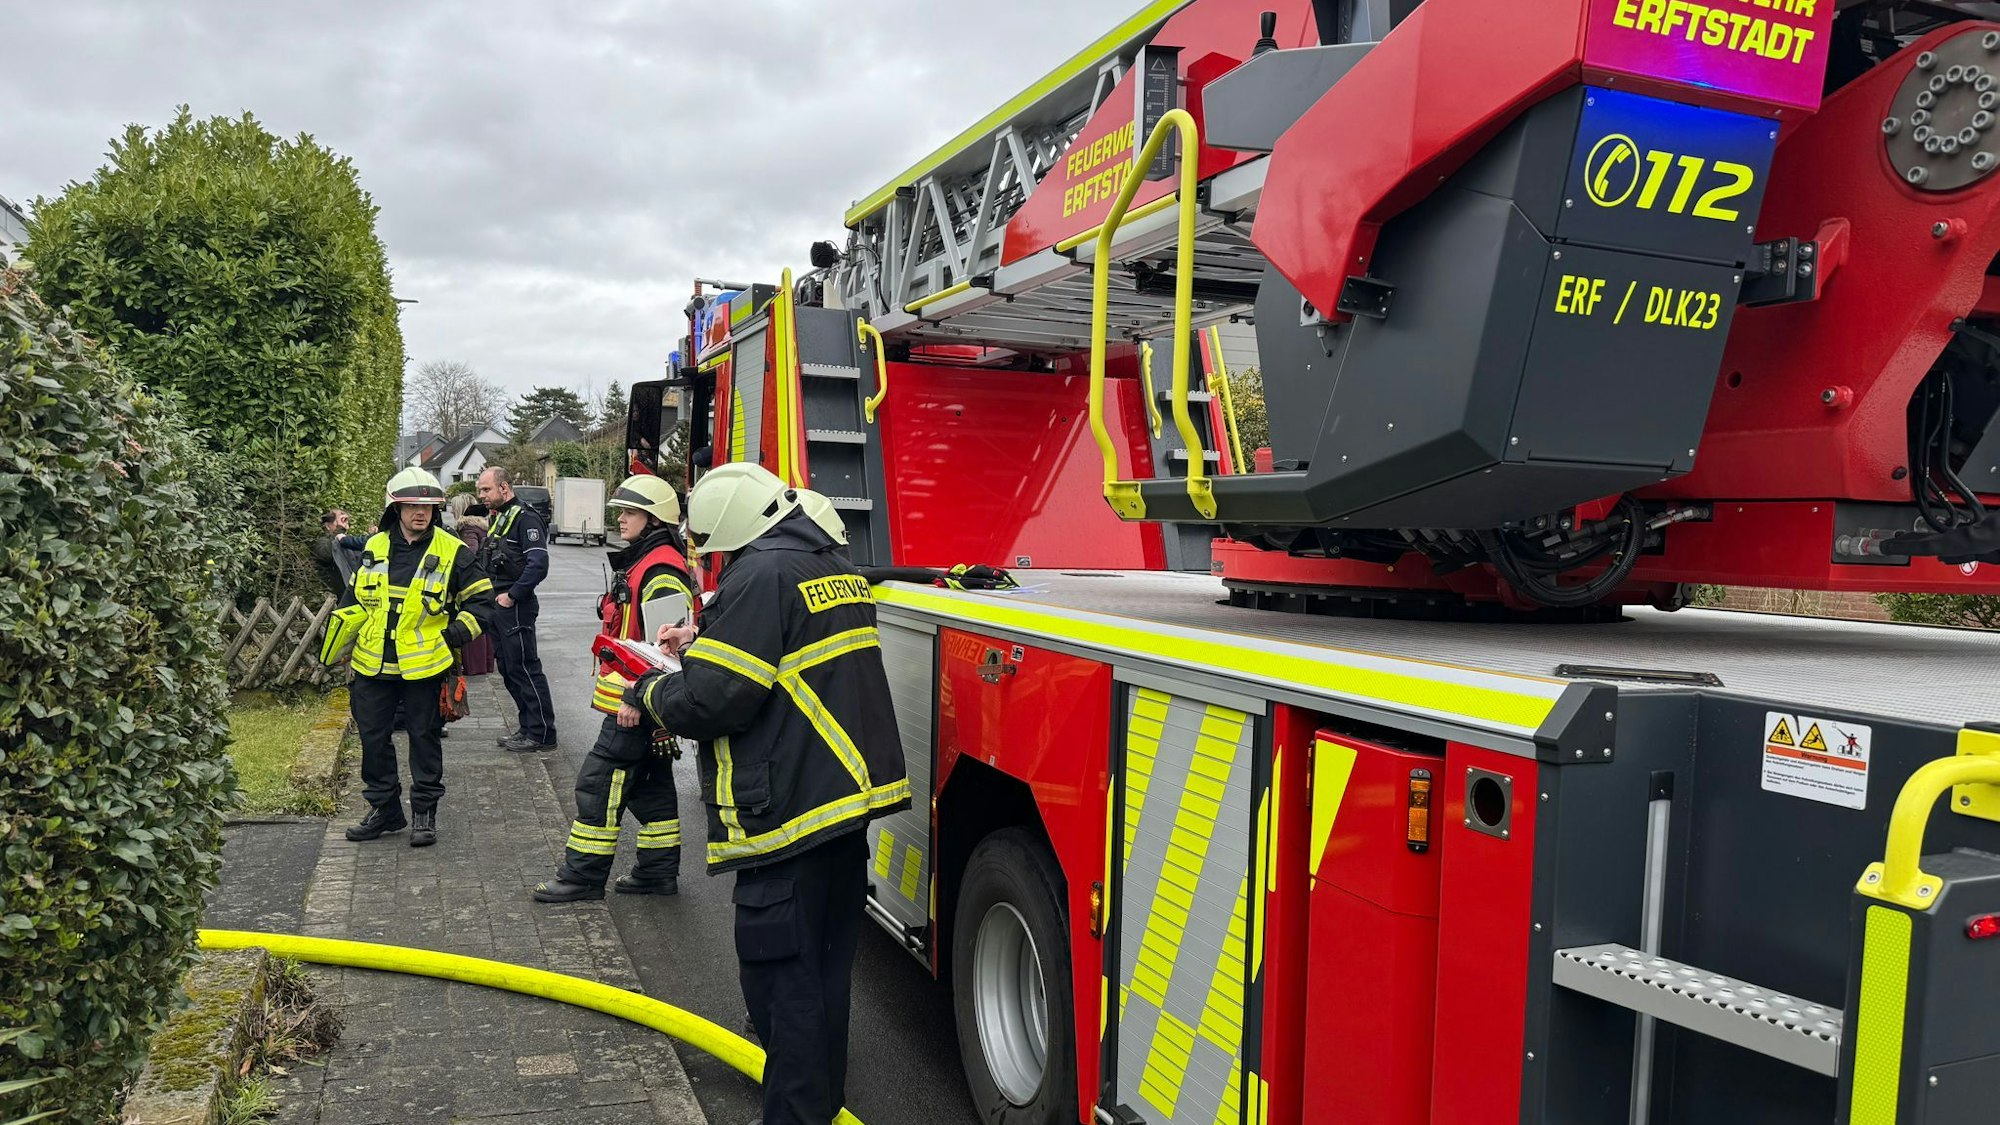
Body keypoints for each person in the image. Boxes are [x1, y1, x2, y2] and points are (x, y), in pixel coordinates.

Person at [627, 462, 909, 1125]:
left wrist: (649, 687)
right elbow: (781, 650)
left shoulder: (759, 574)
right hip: (838, 811)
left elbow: (713, 697)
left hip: (788, 815)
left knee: (785, 989)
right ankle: (815, 1107)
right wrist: (701, 639)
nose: (716, 557)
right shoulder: (823, 561)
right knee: (823, 978)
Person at [533, 474, 698, 903]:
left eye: (630, 513)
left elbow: (665, 651)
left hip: (637, 704)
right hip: (642, 703)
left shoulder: (660, 569)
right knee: (651, 787)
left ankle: (582, 877)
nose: (620, 520)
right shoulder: (647, 561)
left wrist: (635, 700)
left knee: (598, 783)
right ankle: (658, 873)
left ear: (654, 519)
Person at [343, 468, 496, 848]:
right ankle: (385, 810)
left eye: (427, 506)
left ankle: (424, 813)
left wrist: (454, 635)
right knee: (373, 740)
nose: (420, 513)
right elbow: (353, 601)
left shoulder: (453, 551)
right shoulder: (374, 548)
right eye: (412, 505)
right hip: (372, 666)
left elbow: (482, 603)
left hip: (424, 668)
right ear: (396, 508)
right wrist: (338, 642)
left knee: (424, 740)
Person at [476, 466, 558, 752]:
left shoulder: (526, 519)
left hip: (515, 606)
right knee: (509, 669)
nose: (482, 496)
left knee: (525, 668)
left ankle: (542, 734)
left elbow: (538, 564)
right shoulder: (499, 518)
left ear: (504, 488)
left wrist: (512, 595)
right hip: (498, 605)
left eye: (486, 490)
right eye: (480, 491)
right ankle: (527, 728)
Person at [453, 509, 498, 678]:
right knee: (483, 624)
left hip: (474, 578)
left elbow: (470, 551)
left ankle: (475, 666)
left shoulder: (468, 529)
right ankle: (485, 663)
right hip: (486, 577)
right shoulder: (483, 527)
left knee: (471, 624)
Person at [311, 509, 358, 601]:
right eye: (339, 520)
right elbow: (325, 555)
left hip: (351, 595)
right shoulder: (322, 542)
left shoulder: (348, 542)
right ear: (328, 526)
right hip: (331, 598)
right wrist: (338, 532)